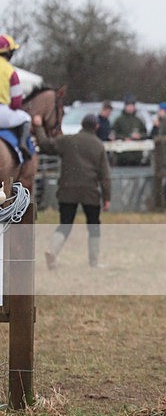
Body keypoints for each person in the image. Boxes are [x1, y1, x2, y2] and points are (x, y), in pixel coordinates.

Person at [33, 114, 111, 269]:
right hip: (90, 192)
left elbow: (44, 145)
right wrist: (107, 198)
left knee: (65, 224)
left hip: (67, 190)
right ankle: (94, 262)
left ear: (81, 124)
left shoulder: (67, 141)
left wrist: (38, 126)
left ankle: (52, 251)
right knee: (94, 225)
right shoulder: (98, 145)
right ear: (96, 127)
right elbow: (105, 176)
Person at [0, 34, 33, 160]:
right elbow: (16, 102)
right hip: (1, 112)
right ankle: (22, 144)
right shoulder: (10, 70)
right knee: (26, 118)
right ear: (9, 52)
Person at [112, 95, 147, 165]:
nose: (130, 108)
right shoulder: (119, 120)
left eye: (132, 106)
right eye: (128, 106)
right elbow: (113, 135)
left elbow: (145, 134)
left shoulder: (138, 120)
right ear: (125, 106)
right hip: (122, 156)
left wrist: (140, 136)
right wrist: (124, 138)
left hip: (137, 155)